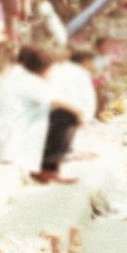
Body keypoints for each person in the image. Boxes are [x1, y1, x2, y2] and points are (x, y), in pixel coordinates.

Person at [0, 45, 59, 178]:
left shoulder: (19, 76)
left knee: (5, 161)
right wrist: (80, 115)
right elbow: (58, 102)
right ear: (44, 68)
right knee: (6, 167)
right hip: (10, 133)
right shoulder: (30, 82)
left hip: (4, 130)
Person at [37, 49, 98, 183]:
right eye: (93, 62)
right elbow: (64, 96)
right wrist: (78, 112)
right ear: (86, 61)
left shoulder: (72, 71)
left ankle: (61, 157)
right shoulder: (71, 71)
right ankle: (49, 168)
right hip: (56, 113)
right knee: (67, 118)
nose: (95, 65)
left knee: (69, 120)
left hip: (57, 113)